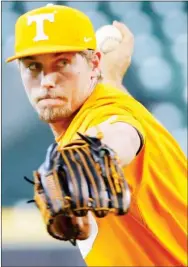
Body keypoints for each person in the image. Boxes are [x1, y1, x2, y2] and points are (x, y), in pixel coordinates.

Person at [6, 4, 187, 267]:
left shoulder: (108, 115)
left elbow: (119, 133)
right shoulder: (106, 95)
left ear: (94, 63)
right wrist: (111, 76)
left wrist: (91, 158)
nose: (46, 80)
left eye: (62, 62)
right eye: (33, 67)